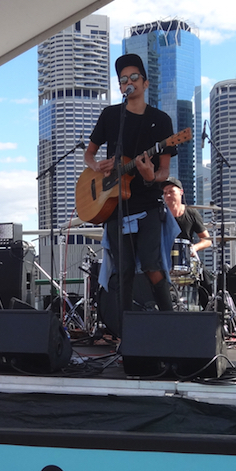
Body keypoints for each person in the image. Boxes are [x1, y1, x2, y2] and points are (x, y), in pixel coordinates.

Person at [84, 53, 175, 324]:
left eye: (134, 77)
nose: (129, 82)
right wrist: (96, 167)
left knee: (151, 266)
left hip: (147, 205)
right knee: (122, 272)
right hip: (114, 204)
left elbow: (164, 172)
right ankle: (125, 337)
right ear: (121, 87)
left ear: (145, 83)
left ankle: (171, 324)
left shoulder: (162, 121)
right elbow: (89, 154)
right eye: (123, 79)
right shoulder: (111, 115)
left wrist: (151, 175)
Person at [162, 177, 211, 255]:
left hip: (185, 259)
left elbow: (207, 240)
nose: (168, 195)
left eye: (171, 192)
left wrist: (194, 248)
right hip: (163, 258)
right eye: (165, 193)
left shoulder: (191, 213)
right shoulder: (159, 214)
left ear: (181, 192)